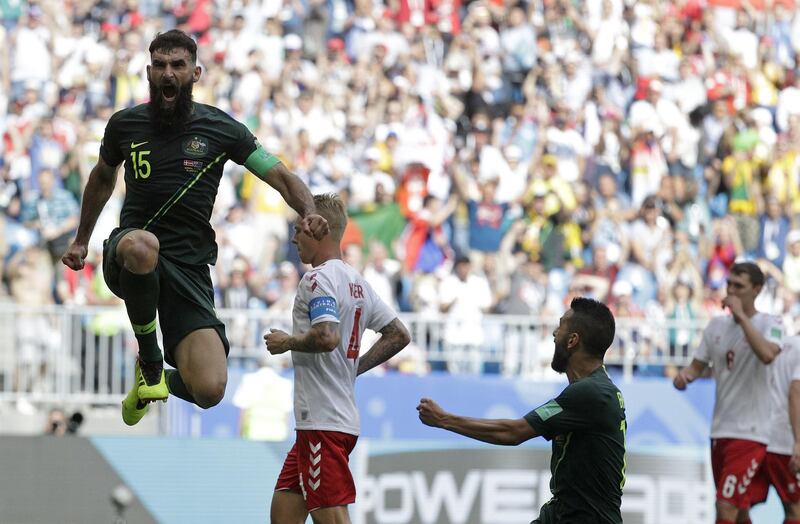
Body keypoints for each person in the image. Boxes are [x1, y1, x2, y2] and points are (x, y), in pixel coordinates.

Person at [60, 30, 329, 426]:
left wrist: (307, 209)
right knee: (142, 246)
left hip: (189, 267)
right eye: (160, 66)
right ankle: (151, 362)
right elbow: (101, 178)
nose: (168, 73)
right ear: (149, 73)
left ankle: (155, 382)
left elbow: (280, 175)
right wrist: (82, 241)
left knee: (210, 390)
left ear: (196, 72)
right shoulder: (125, 125)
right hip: (131, 252)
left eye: (178, 65)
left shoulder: (221, 129)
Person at [264, 193, 411, 524]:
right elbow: (398, 334)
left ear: (320, 228)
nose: (293, 236)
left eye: (300, 228)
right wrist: (353, 368)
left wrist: (288, 342)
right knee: (283, 513)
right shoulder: (357, 282)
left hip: (323, 423)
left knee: (331, 517)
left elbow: (326, 337)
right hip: (323, 422)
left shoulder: (318, 279)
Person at [417, 297, 625, 523]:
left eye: (560, 326)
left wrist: (443, 419)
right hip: (561, 514)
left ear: (573, 340)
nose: (554, 334)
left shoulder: (590, 393)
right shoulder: (596, 389)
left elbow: (513, 432)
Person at [674, 262, 784, 524]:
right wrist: (685, 376)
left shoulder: (772, 323)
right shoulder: (715, 327)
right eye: (729, 285)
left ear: (757, 290)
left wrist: (742, 318)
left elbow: (768, 354)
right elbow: (697, 366)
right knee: (739, 509)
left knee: (724, 507)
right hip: (720, 430)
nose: (731, 291)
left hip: (751, 434)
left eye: (739, 286)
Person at [750, 335, 800, 523]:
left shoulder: (778, 344)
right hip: (783, 442)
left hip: (757, 436)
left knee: (739, 505)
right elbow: (796, 392)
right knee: (795, 508)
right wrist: (798, 441)